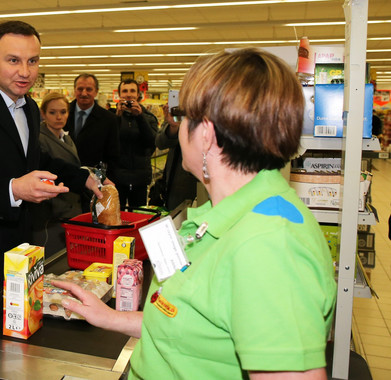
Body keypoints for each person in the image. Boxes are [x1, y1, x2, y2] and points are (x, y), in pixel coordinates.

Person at [54, 48, 337, 379]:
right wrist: (108, 317)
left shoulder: (269, 246)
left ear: (206, 134)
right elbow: (193, 325)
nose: (177, 126)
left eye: (183, 115)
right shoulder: (222, 219)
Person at [0, 21, 105, 322]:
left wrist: (84, 178)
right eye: (13, 60)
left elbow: (36, 160)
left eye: (32, 61)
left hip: (19, 253)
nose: (25, 71)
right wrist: (14, 190)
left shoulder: (27, 106)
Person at [30, 92, 82, 255]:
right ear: (43, 113)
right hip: (51, 214)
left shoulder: (66, 138)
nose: (59, 117)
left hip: (69, 209)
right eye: (52, 112)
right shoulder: (39, 139)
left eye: (63, 112)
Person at [113, 78, 158, 209]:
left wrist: (140, 117)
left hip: (140, 178)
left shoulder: (149, 118)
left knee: (139, 216)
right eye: (125, 91)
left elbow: (152, 142)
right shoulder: (112, 117)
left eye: (132, 91)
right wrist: (117, 118)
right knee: (116, 215)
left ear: (138, 95)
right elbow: (108, 143)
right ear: (119, 95)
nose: (128, 94)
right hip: (117, 178)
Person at [65, 73, 120, 174]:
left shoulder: (109, 119)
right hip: (64, 176)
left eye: (89, 89)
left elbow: (113, 155)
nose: (84, 93)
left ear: (96, 92)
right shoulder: (62, 113)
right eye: (80, 89)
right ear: (74, 90)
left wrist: (103, 180)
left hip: (94, 178)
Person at [152, 103, 199, 210]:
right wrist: (173, 126)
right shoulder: (177, 111)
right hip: (177, 181)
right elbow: (160, 143)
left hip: (205, 181)